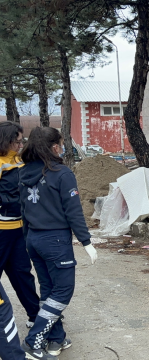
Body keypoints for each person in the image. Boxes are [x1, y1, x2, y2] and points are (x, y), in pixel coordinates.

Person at [19, 127, 98, 358]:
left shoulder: (23, 173)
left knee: (49, 290)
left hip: (34, 238)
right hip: (55, 240)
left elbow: (23, 210)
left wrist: (27, 240)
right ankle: (33, 341)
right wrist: (87, 242)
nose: (62, 148)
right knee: (63, 290)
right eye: (61, 144)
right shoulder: (62, 174)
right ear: (54, 147)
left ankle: (56, 338)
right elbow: (73, 212)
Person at [0, 122, 40, 330]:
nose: (20, 145)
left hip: (19, 230)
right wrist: (13, 201)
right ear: (5, 140)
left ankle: (36, 316)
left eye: (21, 141)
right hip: (1, 231)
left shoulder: (19, 160)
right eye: (17, 141)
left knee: (23, 274)